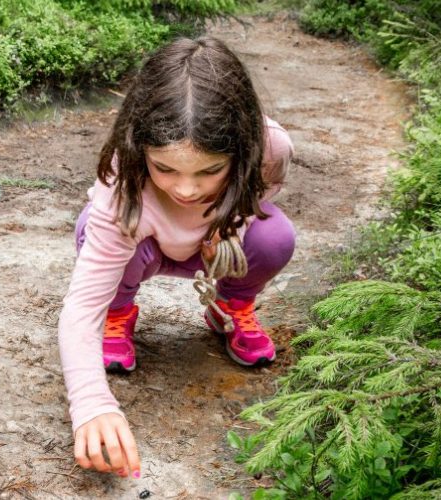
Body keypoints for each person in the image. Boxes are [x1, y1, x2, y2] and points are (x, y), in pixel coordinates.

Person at [58, 37, 295, 477]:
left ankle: (231, 303)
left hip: (215, 251)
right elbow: (81, 304)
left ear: (241, 151)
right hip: (141, 250)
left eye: (210, 170)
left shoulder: (271, 148)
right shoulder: (121, 170)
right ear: (139, 146)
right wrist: (91, 404)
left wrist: (229, 229)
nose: (186, 190)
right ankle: (121, 310)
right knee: (94, 227)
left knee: (275, 236)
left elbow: (261, 195)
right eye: (165, 168)